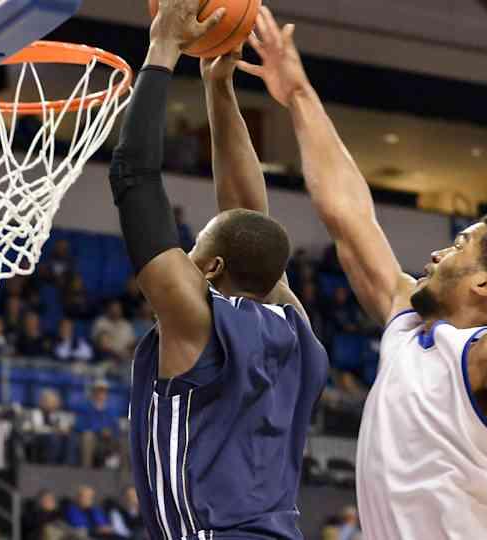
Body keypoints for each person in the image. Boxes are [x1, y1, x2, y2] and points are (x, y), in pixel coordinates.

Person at [238, 8, 487, 539]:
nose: (436, 255)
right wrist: (299, 93)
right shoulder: (408, 322)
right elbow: (349, 217)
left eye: (458, 245)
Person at [110, 3, 327, 538]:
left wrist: (162, 48)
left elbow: (134, 176)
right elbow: (249, 222)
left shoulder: (194, 319)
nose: (181, 258)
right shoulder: (299, 333)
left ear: (209, 269)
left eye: (192, 249)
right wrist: (218, 86)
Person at [74, 381, 120, 468]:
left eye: (103, 392)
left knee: (124, 439)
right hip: (94, 438)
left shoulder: (111, 410)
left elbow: (116, 426)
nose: (101, 394)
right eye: (98, 391)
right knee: (88, 437)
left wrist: (111, 432)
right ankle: (87, 469)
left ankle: (125, 473)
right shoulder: (85, 407)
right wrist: (99, 430)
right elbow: (79, 425)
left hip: (109, 439)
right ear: (93, 393)